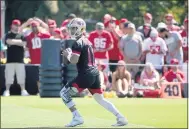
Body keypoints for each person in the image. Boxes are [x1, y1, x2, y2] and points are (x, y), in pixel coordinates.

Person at [60, 18, 127, 127]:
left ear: (81, 29)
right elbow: (69, 61)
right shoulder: (87, 41)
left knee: (64, 93)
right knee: (100, 99)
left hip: (86, 74)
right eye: (71, 28)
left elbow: (74, 60)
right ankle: (121, 117)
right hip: (94, 73)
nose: (72, 31)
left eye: (74, 28)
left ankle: (77, 117)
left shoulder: (78, 42)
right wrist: (66, 55)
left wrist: (67, 54)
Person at [3, 19, 29, 96]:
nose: (17, 27)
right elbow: (8, 41)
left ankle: (23, 90)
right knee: (8, 76)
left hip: (20, 59)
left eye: (18, 25)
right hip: (10, 60)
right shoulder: (8, 34)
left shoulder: (22, 35)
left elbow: (24, 43)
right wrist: (18, 42)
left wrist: (13, 41)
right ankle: (7, 91)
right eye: (15, 25)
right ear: (12, 25)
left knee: (21, 76)